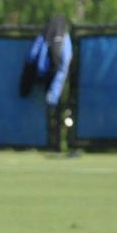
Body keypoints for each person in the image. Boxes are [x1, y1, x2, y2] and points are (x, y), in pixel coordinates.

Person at [20, 14, 73, 150]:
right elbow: (63, 66)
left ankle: (53, 143)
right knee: (53, 113)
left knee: (50, 114)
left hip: (43, 79)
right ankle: (56, 144)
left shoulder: (44, 36)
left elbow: (31, 57)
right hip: (52, 82)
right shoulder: (64, 39)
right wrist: (53, 95)